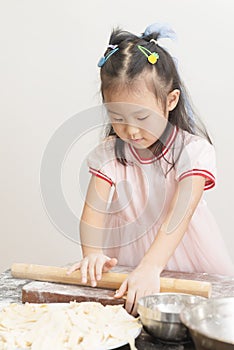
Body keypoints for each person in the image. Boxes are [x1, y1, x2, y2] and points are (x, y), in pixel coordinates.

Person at [68, 23, 234, 315]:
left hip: (187, 262)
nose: (130, 130)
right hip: (130, 261)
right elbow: (92, 212)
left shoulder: (193, 152)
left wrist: (151, 266)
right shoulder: (109, 154)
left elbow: (178, 214)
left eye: (141, 116)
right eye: (117, 117)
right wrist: (92, 253)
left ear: (171, 100)